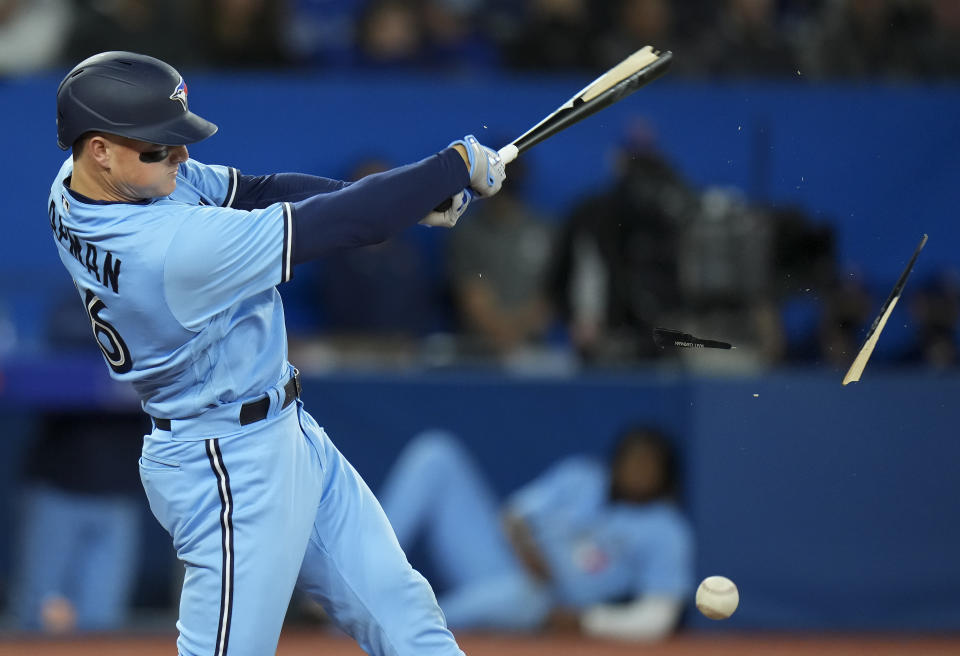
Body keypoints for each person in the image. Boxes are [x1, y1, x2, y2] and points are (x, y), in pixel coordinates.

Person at [48, 50, 505, 656]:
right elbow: (347, 228)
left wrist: (408, 201)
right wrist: (449, 167)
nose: (179, 156)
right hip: (226, 462)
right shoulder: (167, 251)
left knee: (408, 621)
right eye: (159, 145)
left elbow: (259, 192)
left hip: (278, 430)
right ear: (100, 148)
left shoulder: (79, 183)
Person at [378, 427, 694, 640]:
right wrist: (526, 546)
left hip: (546, 602)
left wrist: (588, 621)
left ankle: (388, 622)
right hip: (497, 559)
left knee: (524, 594)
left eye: (648, 464)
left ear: (665, 475)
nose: (637, 470)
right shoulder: (583, 477)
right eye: (632, 459)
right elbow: (513, 514)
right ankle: (365, 578)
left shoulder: (666, 529)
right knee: (436, 453)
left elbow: (658, 616)